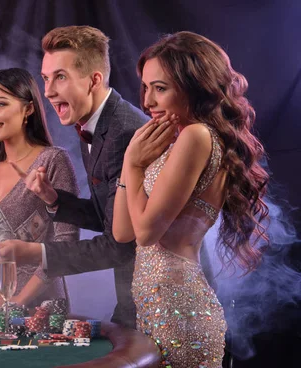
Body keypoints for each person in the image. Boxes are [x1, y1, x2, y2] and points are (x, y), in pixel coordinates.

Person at [0, 26, 216, 329]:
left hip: (164, 303)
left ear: (94, 80)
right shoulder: (93, 125)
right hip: (139, 296)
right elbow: (114, 216)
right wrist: (55, 200)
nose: (48, 91)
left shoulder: (123, 132)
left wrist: (35, 253)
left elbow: (122, 242)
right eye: (45, 78)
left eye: (60, 77)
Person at [113, 31, 269, 367]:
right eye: (146, 87)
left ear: (193, 87)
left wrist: (134, 163)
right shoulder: (177, 142)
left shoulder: (197, 136)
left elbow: (145, 234)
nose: (147, 102)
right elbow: (122, 232)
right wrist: (132, 161)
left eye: (160, 88)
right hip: (159, 313)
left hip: (182, 316)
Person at [0, 68, 79, 309]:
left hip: (40, 307)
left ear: (28, 109)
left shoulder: (52, 161)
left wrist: (17, 300)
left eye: (0, 104)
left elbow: (65, 244)